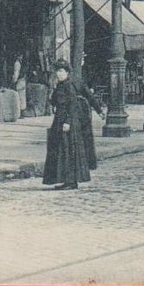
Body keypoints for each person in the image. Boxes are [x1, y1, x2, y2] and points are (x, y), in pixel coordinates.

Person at [42, 60, 102, 190]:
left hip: (67, 122)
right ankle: (66, 180)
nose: (58, 74)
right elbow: (55, 101)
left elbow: (72, 105)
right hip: (60, 119)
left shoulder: (68, 85)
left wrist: (67, 122)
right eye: (57, 71)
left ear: (67, 72)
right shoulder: (61, 85)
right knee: (63, 151)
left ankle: (70, 181)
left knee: (68, 151)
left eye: (61, 71)